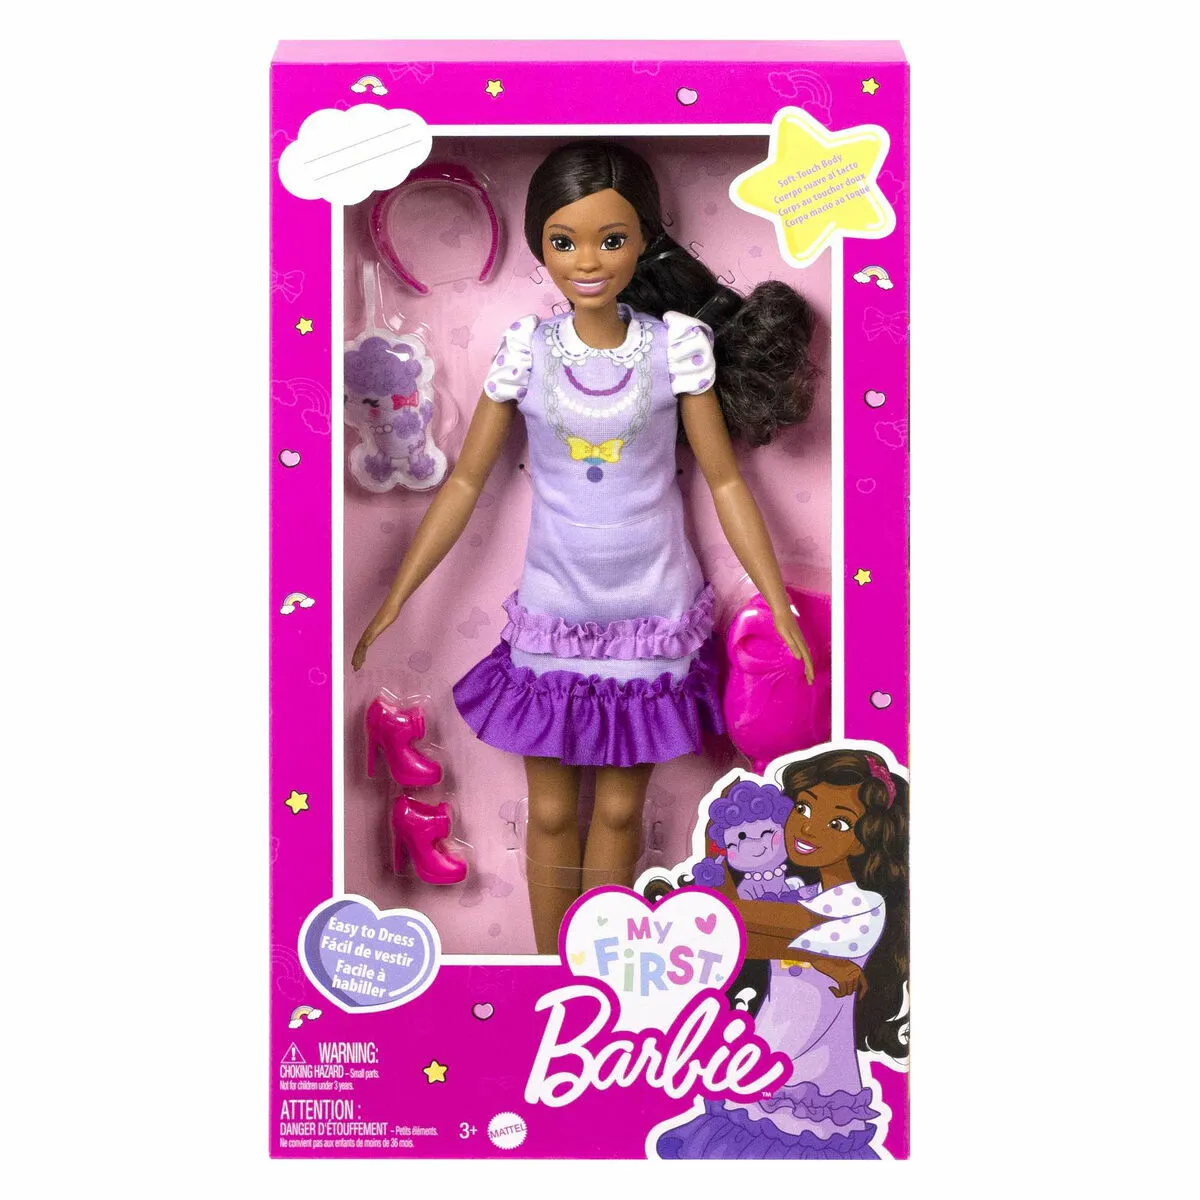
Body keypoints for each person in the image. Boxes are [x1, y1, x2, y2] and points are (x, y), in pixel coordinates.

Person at [353, 141, 819, 953]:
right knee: (552, 812)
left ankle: (600, 973)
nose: (589, 261)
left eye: (612, 239)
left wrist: (778, 602)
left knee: (620, 810)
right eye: (565, 242)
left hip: (653, 614)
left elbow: (725, 482)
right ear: (541, 245)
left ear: (644, 242)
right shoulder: (526, 351)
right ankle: (549, 974)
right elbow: (464, 484)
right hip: (554, 612)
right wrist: (396, 595)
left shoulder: (675, 348)